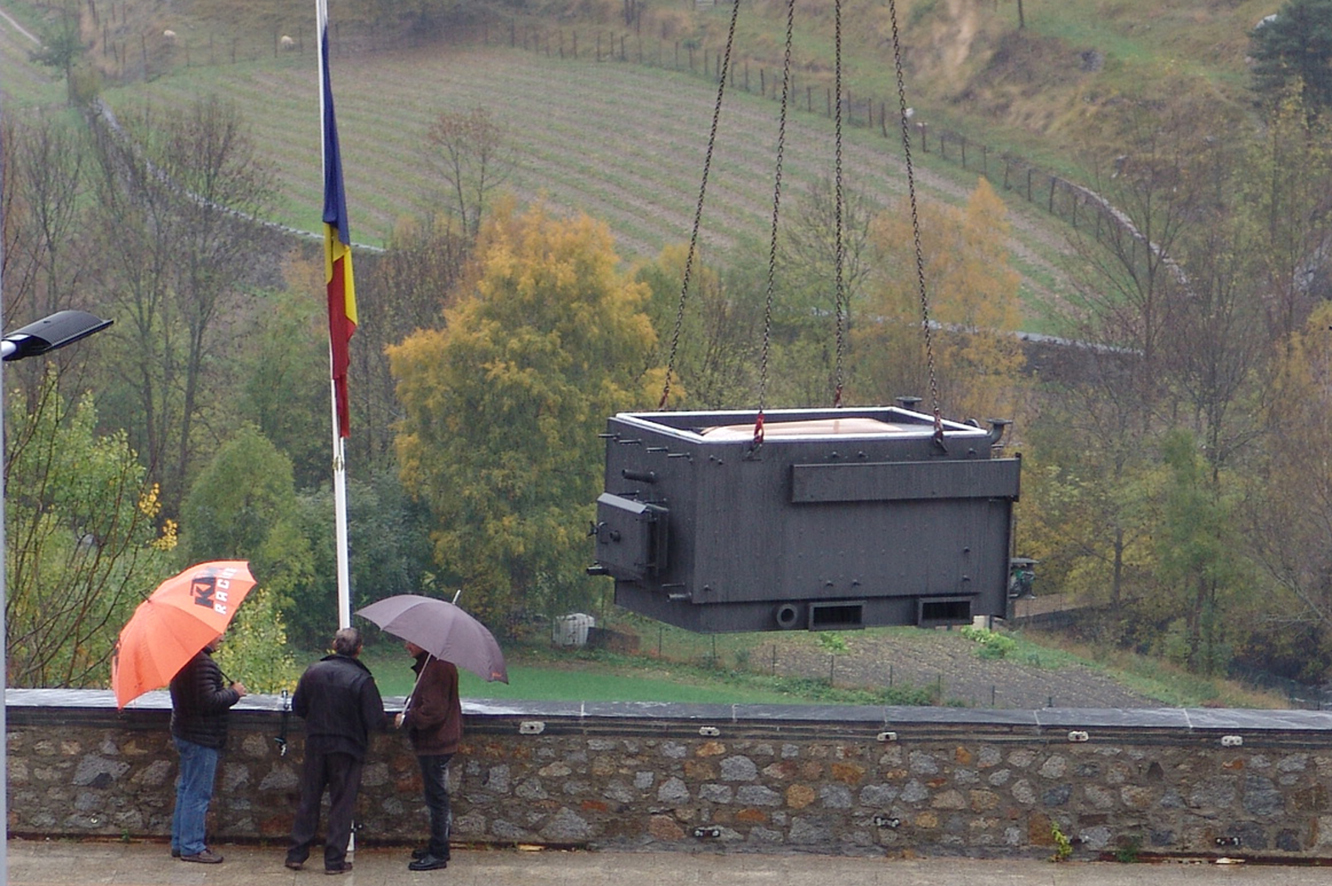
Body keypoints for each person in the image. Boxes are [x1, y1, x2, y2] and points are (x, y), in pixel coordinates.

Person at [285, 627, 388, 875]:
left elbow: (298, 707)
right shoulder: (362, 679)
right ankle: (334, 861)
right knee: (342, 804)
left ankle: (296, 854)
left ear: (334, 645)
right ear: (359, 649)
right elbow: (375, 719)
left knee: (309, 798)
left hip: (316, 744)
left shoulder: (313, 672)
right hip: (348, 748)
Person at [169, 633, 247, 864]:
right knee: (198, 793)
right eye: (216, 636)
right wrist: (235, 693)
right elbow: (208, 702)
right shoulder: (201, 663)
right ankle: (192, 846)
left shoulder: (185, 659)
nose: (221, 638)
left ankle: (180, 842)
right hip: (201, 737)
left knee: (186, 789)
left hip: (185, 732)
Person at [396, 641, 461, 872]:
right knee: (437, 798)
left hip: (436, 744)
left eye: (410, 642)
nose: (406, 646)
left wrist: (407, 718)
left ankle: (439, 852)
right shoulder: (432, 665)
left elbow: (433, 711)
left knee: (437, 800)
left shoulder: (437, 668)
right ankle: (437, 845)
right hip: (437, 743)